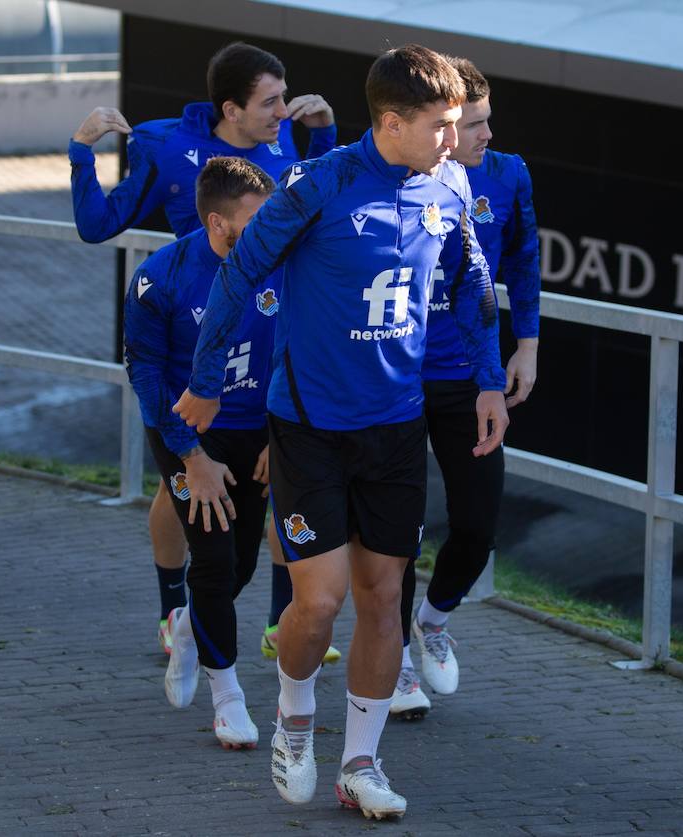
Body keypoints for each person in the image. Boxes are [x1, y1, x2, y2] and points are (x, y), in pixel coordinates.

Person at [173, 44, 508, 820]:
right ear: (391, 123)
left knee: (383, 597)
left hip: (396, 427)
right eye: (441, 125)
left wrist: (488, 378)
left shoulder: (450, 188)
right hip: (311, 428)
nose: (454, 140)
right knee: (318, 603)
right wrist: (204, 380)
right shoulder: (315, 187)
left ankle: (361, 760)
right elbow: (239, 274)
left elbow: (473, 287)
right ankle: (295, 720)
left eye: (459, 124)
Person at [67, 41, 340, 662]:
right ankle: (174, 610)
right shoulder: (168, 148)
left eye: (283, 96)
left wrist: (322, 137)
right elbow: (96, 225)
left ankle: (280, 617)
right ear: (230, 108)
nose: (282, 110)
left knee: (274, 484)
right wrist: (82, 152)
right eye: (269, 101)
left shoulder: (284, 141)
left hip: (268, 335)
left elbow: (311, 210)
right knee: (181, 486)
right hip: (194, 348)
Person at [392, 55, 540, 721]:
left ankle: (433, 618)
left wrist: (526, 345)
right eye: (470, 123)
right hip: (394, 378)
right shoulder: (403, 175)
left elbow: (523, 262)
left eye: (483, 122)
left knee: (478, 522)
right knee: (395, 530)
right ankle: (392, 659)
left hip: (466, 380)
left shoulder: (509, 174)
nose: (482, 136)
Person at [123, 156, 280, 750]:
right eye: (255, 220)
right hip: (188, 438)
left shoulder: (280, 261)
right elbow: (145, 377)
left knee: (237, 567)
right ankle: (228, 697)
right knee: (213, 562)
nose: (268, 231)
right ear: (217, 223)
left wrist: (276, 436)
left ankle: (188, 624)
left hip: (257, 433)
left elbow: (295, 349)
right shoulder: (160, 278)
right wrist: (191, 456)